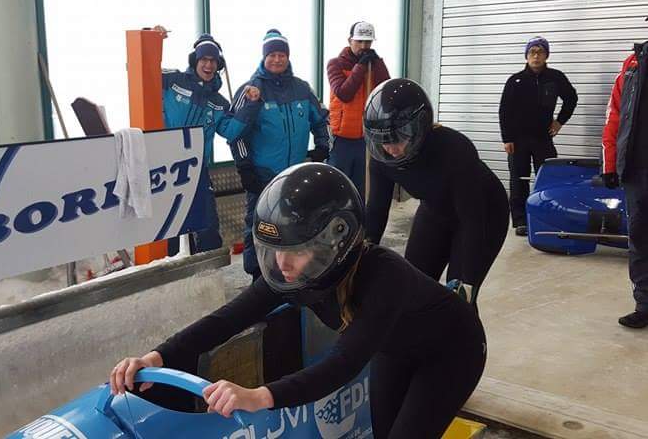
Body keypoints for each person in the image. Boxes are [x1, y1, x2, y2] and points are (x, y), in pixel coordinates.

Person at [110, 162, 487, 438]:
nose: (282, 265)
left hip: (452, 351)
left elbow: (342, 364)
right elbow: (227, 319)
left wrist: (260, 396)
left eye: (296, 251)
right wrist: (157, 356)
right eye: (273, 251)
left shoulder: (384, 276)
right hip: (395, 346)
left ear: (334, 241)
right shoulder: (292, 274)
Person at [364, 78, 509, 309]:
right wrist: (361, 260)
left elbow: (472, 222)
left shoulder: (455, 150)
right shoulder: (382, 160)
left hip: (483, 213)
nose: (390, 149)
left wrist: (467, 285)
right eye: (382, 141)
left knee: (458, 302)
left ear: (418, 127)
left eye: (398, 138)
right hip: (435, 209)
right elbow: (376, 212)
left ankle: (465, 341)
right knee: (411, 290)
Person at [224, 29, 330, 281]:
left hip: (295, 174)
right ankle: (256, 275)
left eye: (281, 54)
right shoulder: (251, 90)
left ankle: (290, 274)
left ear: (288, 57)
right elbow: (234, 132)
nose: (277, 59)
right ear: (264, 57)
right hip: (263, 174)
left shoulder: (302, 89)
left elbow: (321, 120)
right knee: (259, 225)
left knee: (293, 224)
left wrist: (322, 145)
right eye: (272, 54)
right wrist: (245, 167)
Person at [154, 27, 234, 253]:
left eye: (214, 61)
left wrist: (249, 108)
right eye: (204, 59)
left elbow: (230, 131)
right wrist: (153, 39)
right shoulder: (172, 80)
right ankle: (171, 279)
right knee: (170, 227)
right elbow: (138, 70)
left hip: (198, 170)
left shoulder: (219, 101)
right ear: (195, 60)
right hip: (166, 167)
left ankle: (209, 279)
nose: (208, 65)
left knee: (208, 227)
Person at [499, 36, 578, 236]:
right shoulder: (515, 80)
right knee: (519, 179)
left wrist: (559, 121)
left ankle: (547, 217)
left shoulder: (555, 78)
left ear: (546, 55)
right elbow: (504, 111)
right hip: (518, 140)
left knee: (549, 178)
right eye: (532, 52)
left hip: (543, 138)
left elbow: (571, 98)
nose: (536, 55)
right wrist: (507, 138)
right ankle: (520, 221)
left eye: (540, 51)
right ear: (526, 56)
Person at [601, 23, 648, 329]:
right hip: (638, 168)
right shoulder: (633, 63)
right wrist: (609, 162)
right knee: (641, 239)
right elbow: (615, 113)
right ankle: (645, 303)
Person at [327, 21, 390, 198]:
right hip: (342, 140)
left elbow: (385, 89)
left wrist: (377, 63)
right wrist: (360, 67)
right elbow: (344, 93)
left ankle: (362, 223)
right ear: (350, 40)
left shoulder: (372, 65)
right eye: (359, 41)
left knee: (363, 187)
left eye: (368, 42)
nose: (364, 46)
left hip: (366, 139)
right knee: (339, 187)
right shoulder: (335, 64)